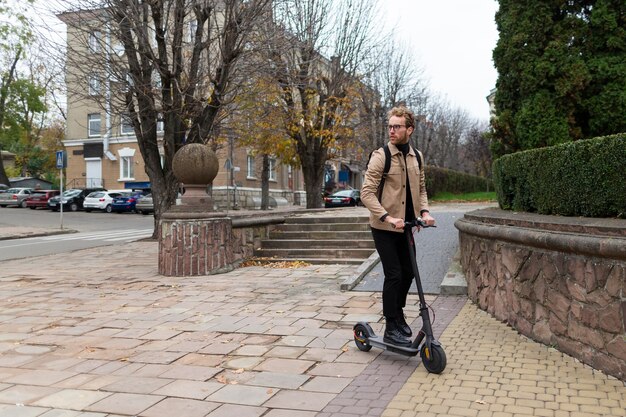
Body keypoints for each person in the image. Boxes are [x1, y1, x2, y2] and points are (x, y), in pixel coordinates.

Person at [360, 105, 436, 347]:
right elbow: (367, 193)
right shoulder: (381, 156)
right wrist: (387, 217)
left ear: (409, 129)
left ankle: (397, 315)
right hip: (383, 227)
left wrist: (423, 211)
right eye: (390, 126)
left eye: (397, 126)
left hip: (405, 226)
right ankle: (391, 324)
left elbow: (421, 189)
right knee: (394, 274)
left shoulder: (417, 157)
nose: (391, 131)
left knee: (410, 272)